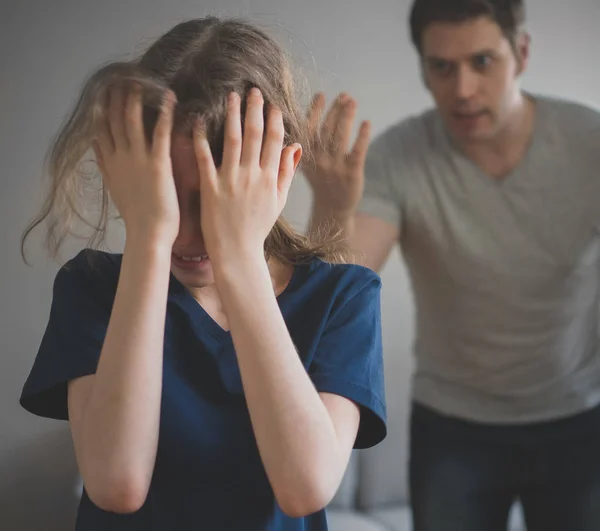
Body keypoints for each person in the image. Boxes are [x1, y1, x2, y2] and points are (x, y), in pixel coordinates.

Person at [18, 17, 387, 531]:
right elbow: (115, 483)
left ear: (280, 173)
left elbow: (305, 486)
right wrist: (149, 235)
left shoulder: (344, 297)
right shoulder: (92, 286)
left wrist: (238, 255)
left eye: (211, 203)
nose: (188, 235)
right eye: (165, 196)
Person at [305, 0, 600, 530]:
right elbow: (342, 292)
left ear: (522, 53)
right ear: (423, 67)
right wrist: (331, 206)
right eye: (442, 67)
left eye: (482, 61)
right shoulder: (398, 156)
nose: (462, 89)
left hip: (580, 418)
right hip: (454, 427)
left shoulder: (590, 145)